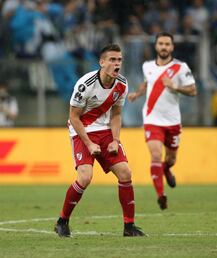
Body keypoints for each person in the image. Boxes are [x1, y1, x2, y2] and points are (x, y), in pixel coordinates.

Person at [54, 44, 145, 237]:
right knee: (85, 177)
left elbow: (117, 114)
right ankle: (62, 221)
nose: (117, 63)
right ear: (101, 62)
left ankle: (129, 227)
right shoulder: (85, 84)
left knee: (125, 173)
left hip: (104, 132)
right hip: (82, 131)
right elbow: (74, 117)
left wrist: (115, 139)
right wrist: (88, 143)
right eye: (112, 60)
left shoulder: (122, 84)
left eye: (119, 60)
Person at [128, 32, 196, 210]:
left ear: (172, 47)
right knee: (156, 155)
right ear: (156, 46)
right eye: (161, 44)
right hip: (152, 119)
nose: (164, 47)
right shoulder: (147, 66)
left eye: (167, 44)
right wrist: (137, 93)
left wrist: (175, 87)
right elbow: (146, 82)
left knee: (171, 159)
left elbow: (193, 90)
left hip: (172, 121)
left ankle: (166, 169)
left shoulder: (181, 67)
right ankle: (161, 195)